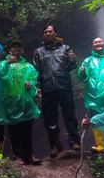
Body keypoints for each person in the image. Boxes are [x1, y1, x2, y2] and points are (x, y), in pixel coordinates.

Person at [33, 24, 81, 156]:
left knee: (70, 115)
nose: (48, 34)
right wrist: (37, 87)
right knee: (50, 119)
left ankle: (75, 142)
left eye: (50, 31)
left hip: (64, 86)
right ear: (43, 35)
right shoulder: (38, 52)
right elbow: (36, 71)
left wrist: (73, 60)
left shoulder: (66, 48)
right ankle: (55, 146)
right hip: (47, 87)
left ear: (55, 33)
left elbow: (71, 67)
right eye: (46, 32)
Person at [0, 41, 41, 165]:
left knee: (27, 131)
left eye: (19, 48)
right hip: (11, 103)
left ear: (22, 50)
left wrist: (30, 85)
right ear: (10, 50)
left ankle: (29, 155)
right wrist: (7, 63)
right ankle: (17, 155)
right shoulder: (4, 64)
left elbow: (34, 80)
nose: (16, 50)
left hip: (26, 103)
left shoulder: (28, 66)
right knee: (14, 132)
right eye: (14, 47)